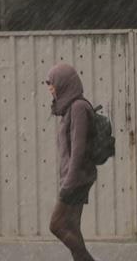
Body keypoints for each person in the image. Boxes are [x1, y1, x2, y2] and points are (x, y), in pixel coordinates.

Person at [46, 63, 98, 261]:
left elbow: (78, 151)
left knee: (56, 225)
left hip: (76, 179)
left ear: (65, 83)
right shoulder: (69, 109)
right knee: (72, 228)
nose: (50, 88)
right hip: (76, 177)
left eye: (53, 83)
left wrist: (68, 184)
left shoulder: (77, 107)